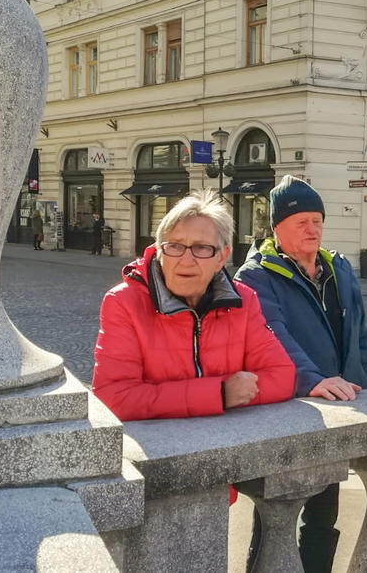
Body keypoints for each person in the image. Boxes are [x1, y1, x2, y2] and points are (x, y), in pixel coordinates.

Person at [91, 190, 296, 502]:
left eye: (201, 248)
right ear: (159, 250)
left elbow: (282, 375)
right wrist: (219, 394)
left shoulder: (242, 300)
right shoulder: (124, 302)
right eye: (174, 246)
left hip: (215, 474)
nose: (185, 260)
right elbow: (114, 397)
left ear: (222, 257)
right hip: (149, 480)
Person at [235, 175, 367, 573]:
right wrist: (311, 380)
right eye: (301, 222)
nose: (312, 229)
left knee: (322, 518)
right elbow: (271, 336)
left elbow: (361, 332)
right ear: (277, 228)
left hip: (337, 411)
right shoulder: (256, 276)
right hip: (286, 412)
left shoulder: (339, 267)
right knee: (272, 521)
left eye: (317, 220)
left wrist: (360, 373)